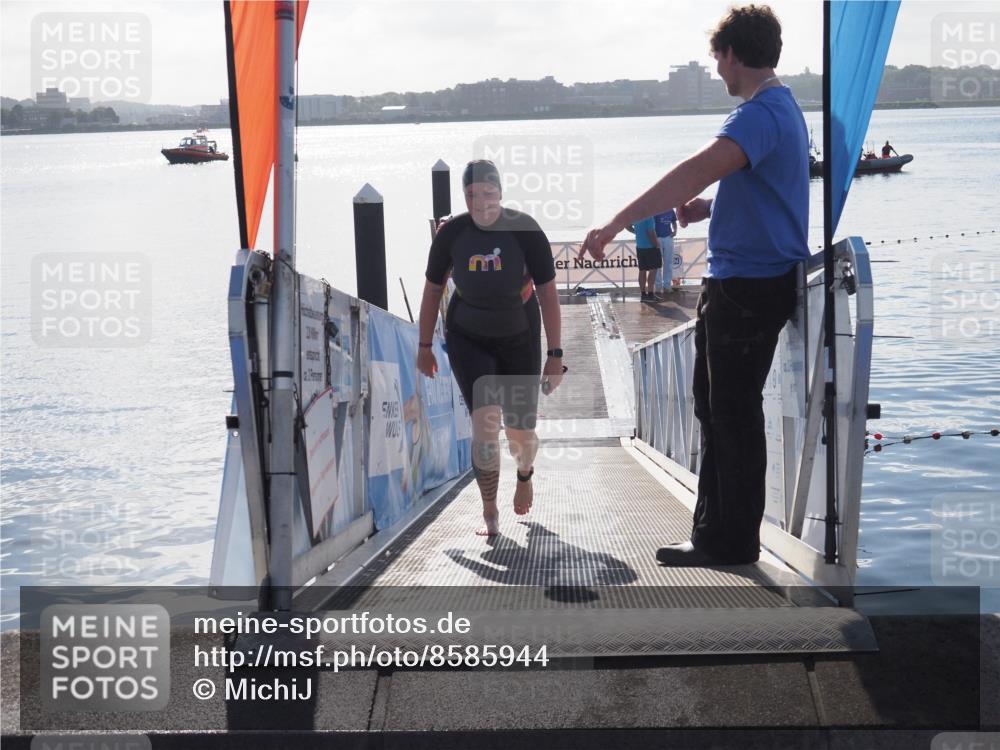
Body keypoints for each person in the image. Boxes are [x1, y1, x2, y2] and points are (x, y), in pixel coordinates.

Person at [578, 4, 809, 566]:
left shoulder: (757, 114)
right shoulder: (782, 109)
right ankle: (717, 533)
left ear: (733, 54)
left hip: (747, 288)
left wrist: (612, 224)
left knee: (730, 411)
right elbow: (753, 184)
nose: (718, 72)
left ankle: (729, 542)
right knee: (716, 408)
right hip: (749, 282)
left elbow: (691, 169)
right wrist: (715, 205)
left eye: (718, 60)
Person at [417, 160, 564, 537]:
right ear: (463, 196)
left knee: (519, 433)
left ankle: (525, 473)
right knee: (484, 425)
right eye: (470, 195)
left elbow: (548, 294)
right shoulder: (453, 234)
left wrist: (555, 354)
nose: (479, 202)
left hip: (520, 334)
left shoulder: (525, 230)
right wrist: (424, 344)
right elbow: (434, 289)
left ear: (500, 192)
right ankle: (489, 511)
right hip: (469, 334)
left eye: (486, 193)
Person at [632, 214, 661, 302]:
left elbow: (626, 225)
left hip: (640, 247)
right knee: (653, 271)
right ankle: (650, 294)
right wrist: (656, 245)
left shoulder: (636, 216)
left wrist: (635, 231)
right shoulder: (649, 217)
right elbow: (651, 233)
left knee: (642, 270)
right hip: (650, 247)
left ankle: (643, 295)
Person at [653, 208, 678, 292]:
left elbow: (674, 221)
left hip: (668, 237)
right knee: (657, 263)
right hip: (657, 238)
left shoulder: (670, 210)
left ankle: (667, 286)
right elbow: (651, 225)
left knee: (668, 262)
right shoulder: (655, 210)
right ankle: (658, 286)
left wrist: (675, 231)